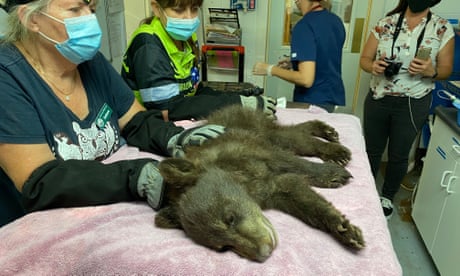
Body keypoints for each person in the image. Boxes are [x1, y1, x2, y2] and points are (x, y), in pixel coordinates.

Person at [0, 0, 227, 227]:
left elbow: (136, 122)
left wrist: (175, 138)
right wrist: (135, 176)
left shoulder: (90, 62)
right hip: (38, 231)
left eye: (92, 8)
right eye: (75, 9)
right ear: (32, 19)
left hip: (105, 216)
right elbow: (40, 181)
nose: (90, 19)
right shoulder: (7, 78)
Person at [359, 0, 454, 219]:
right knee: (371, 150)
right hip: (378, 97)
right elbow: (365, 59)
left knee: (398, 154)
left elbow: (446, 70)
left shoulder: (441, 28)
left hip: (413, 102)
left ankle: (387, 197)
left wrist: (431, 71)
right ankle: (365, 192)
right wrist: (372, 66)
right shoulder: (386, 23)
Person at [121, 0, 276, 122]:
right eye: (178, 9)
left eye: (194, 8)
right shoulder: (149, 46)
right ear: (156, 8)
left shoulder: (187, 38)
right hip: (151, 127)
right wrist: (235, 104)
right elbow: (166, 112)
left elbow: (193, 92)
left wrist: (237, 96)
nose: (189, 18)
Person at [252, 0, 345, 113]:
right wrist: (296, 62)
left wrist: (270, 69)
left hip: (312, 104)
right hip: (335, 99)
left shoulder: (304, 26)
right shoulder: (335, 21)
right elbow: (325, 54)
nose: (296, 2)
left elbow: (306, 79)